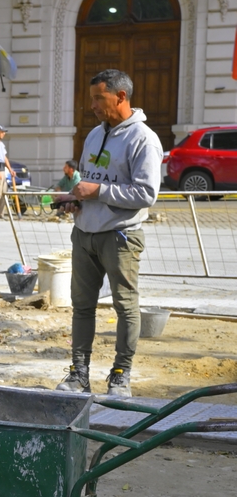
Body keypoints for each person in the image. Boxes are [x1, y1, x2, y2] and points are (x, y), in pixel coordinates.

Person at [53, 69, 161, 397]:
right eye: (91, 99)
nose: (93, 106)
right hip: (84, 234)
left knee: (125, 305)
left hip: (120, 236)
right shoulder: (93, 135)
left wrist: (96, 192)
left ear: (121, 96)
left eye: (99, 98)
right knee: (82, 306)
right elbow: (89, 183)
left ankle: (120, 375)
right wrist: (74, 201)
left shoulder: (143, 139)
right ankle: (78, 373)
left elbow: (145, 194)